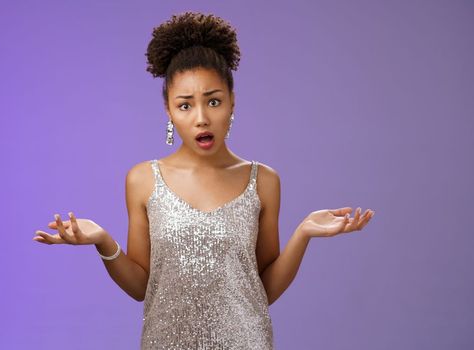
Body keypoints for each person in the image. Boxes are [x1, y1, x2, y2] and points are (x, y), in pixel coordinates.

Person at [32, 11, 375, 349]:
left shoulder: (263, 180)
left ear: (232, 102)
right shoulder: (143, 179)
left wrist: (302, 234)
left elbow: (261, 290)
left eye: (213, 101)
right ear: (168, 110)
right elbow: (141, 288)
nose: (201, 118)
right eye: (185, 105)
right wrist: (104, 242)